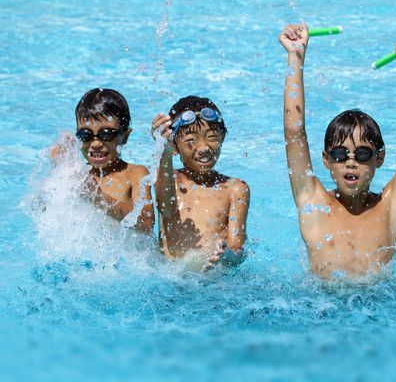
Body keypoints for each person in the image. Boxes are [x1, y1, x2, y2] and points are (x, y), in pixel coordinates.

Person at [279, 23, 396, 279]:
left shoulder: (390, 205)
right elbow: (294, 132)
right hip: (321, 310)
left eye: (362, 154)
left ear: (379, 158)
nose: (350, 162)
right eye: (340, 154)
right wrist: (295, 57)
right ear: (326, 160)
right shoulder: (313, 201)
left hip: (378, 310)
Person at [151, 96, 249, 270]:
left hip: (215, 279)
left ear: (223, 137)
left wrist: (226, 255)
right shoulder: (170, 180)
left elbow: (237, 250)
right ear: (174, 146)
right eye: (191, 140)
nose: (203, 148)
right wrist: (163, 149)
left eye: (211, 137)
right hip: (172, 278)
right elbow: (164, 207)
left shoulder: (235, 189)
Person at [51, 88, 154, 233]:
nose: (96, 144)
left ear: (125, 136)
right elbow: (43, 211)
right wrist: (58, 170)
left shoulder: (135, 174)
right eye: (85, 135)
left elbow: (146, 224)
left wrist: (98, 196)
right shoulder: (78, 175)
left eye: (106, 134)